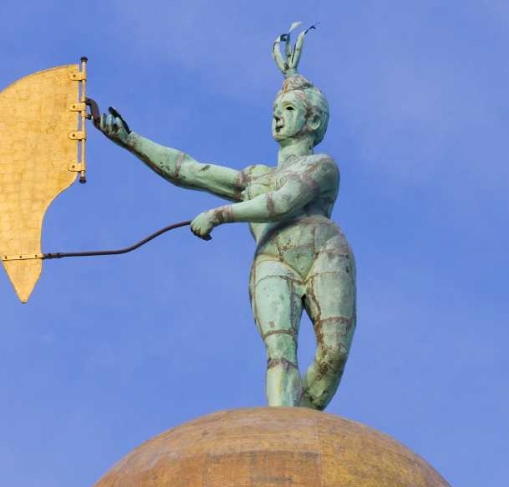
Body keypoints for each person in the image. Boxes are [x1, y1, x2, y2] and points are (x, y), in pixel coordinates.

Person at [98, 28, 356, 410]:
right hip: (273, 258)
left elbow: (282, 203)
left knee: (333, 353)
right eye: (275, 111)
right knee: (280, 352)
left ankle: (302, 419)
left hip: (325, 253)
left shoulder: (322, 167)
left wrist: (219, 215)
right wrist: (131, 140)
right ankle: (282, 429)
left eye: (288, 110)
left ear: (314, 120)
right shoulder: (254, 177)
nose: (277, 117)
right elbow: (190, 170)